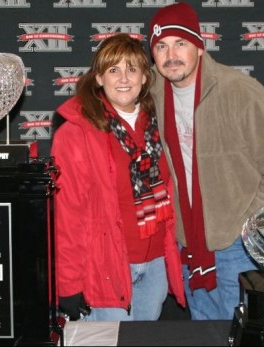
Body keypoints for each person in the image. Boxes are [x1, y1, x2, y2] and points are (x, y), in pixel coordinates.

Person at [148, 2, 264, 320]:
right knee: (203, 331)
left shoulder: (238, 91)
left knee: (240, 332)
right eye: (161, 46)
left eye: (181, 43)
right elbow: (105, 89)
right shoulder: (151, 91)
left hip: (235, 246)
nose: (171, 55)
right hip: (185, 242)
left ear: (200, 47)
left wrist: (250, 226)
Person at [51, 33, 185, 322]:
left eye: (132, 69)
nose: (123, 78)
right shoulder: (76, 133)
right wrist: (69, 284)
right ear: (99, 78)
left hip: (155, 266)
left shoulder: (159, 125)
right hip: (105, 268)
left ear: (145, 78)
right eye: (113, 70)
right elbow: (67, 216)